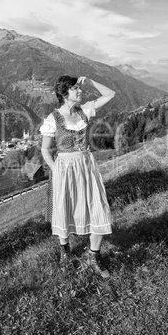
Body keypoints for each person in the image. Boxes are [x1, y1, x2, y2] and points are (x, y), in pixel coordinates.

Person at [40, 75, 115, 278]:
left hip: (86, 165)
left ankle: (93, 257)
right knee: (65, 208)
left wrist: (89, 81)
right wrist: (56, 170)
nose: (80, 91)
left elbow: (110, 94)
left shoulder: (85, 111)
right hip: (64, 168)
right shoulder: (52, 119)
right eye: (75, 88)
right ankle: (65, 251)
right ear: (65, 93)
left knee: (97, 206)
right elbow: (45, 151)